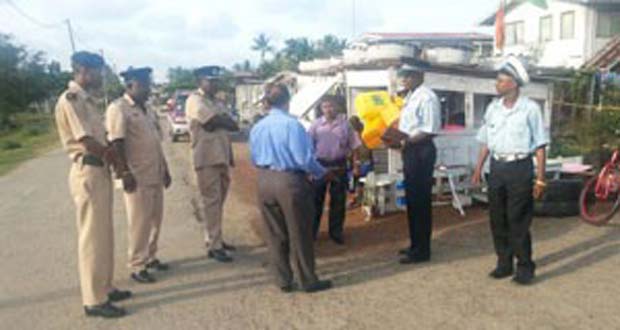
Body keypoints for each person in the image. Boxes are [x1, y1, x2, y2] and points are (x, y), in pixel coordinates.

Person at [54, 51, 130, 318]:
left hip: (99, 171)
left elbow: (102, 137)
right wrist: (115, 159)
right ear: (84, 70)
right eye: (99, 71)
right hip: (87, 169)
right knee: (92, 238)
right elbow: (86, 140)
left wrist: (114, 159)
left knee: (104, 234)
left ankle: (105, 287)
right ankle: (94, 300)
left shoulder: (89, 101)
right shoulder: (71, 99)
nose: (102, 76)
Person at [249, 83, 333, 293]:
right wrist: (323, 173)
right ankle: (307, 279)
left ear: (267, 103)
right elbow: (303, 159)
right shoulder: (292, 125)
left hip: (264, 180)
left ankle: (283, 279)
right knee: (299, 231)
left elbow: (253, 157)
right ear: (288, 101)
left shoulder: (258, 127)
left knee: (275, 233)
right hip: (290, 181)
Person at [471, 56, 548, 285]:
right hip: (497, 167)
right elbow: (486, 141)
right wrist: (478, 168)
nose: (497, 84)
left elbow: (540, 146)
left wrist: (541, 179)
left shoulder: (530, 109)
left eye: (502, 81)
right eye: (498, 80)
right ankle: (504, 263)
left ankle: (525, 266)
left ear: (514, 84)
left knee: (518, 219)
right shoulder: (492, 109)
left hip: (520, 167)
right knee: (497, 218)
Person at [105, 67, 172, 284]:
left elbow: (155, 142)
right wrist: (124, 172)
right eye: (143, 85)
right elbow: (117, 143)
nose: (148, 89)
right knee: (139, 223)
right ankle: (137, 265)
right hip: (137, 175)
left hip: (154, 173)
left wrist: (165, 168)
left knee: (155, 220)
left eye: (148, 84)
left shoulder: (148, 109)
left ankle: (150, 257)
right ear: (130, 85)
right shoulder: (119, 108)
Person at [384, 61, 441, 265]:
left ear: (419, 76)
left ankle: (422, 250)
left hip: (421, 150)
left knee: (420, 201)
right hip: (411, 149)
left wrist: (403, 141)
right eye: (403, 76)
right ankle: (415, 244)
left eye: (408, 76)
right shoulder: (410, 97)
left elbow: (429, 129)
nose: (404, 80)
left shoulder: (426, 97)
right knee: (412, 200)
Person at [185, 66, 239, 262]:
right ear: (200, 81)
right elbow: (211, 122)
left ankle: (215, 239)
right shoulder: (194, 100)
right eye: (211, 81)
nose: (215, 84)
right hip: (206, 159)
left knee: (218, 203)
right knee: (211, 203)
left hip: (222, 157)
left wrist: (224, 120)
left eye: (216, 80)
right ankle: (214, 246)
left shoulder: (215, 101)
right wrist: (224, 120)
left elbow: (232, 123)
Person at [308, 95, 361, 244]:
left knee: (338, 201)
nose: (328, 109)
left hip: (339, 166)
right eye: (325, 106)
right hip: (320, 166)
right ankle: (312, 232)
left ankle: (336, 232)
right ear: (321, 108)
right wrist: (309, 169)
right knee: (315, 201)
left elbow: (355, 146)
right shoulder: (315, 126)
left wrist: (356, 165)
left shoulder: (345, 125)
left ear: (337, 107)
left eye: (331, 106)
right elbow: (308, 148)